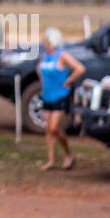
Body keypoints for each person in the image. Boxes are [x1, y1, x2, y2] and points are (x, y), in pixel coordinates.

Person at [37, 27, 84, 171]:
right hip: (47, 97)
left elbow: (80, 68)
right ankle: (51, 160)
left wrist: (69, 80)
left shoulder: (62, 55)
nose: (43, 42)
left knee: (54, 128)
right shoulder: (45, 57)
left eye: (45, 39)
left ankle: (68, 154)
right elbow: (40, 71)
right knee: (48, 130)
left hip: (60, 97)